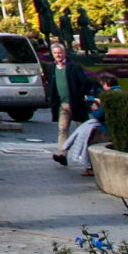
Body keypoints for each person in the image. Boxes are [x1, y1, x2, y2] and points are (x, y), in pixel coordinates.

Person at [50, 37, 93, 166]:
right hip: (62, 105)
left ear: (64, 53)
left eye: (60, 53)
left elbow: (86, 83)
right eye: (55, 53)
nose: (58, 55)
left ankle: (90, 157)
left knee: (84, 130)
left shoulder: (73, 67)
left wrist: (78, 95)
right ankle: (62, 155)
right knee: (62, 129)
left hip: (76, 104)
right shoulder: (52, 68)